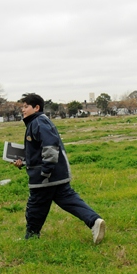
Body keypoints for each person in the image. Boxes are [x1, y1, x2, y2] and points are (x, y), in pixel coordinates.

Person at [13, 93, 105, 244]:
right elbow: (38, 151)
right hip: (57, 174)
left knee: (35, 206)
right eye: (22, 107)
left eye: (26, 106)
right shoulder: (38, 122)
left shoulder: (38, 122)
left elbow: (50, 147)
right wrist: (23, 162)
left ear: (36, 108)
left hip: (46, 176)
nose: (23, 110)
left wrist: (45, 171)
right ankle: (95, 221)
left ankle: (31, 237)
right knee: (70, 201)